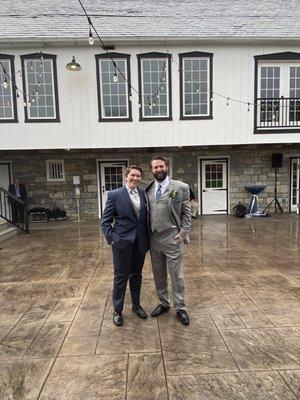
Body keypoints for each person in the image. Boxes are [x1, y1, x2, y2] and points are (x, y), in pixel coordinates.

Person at [145, 156, 191, 325]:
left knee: (176, 275)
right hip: (154, 238)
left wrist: (184, 231)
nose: (159, 169)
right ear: (152, 170)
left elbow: (187, 213)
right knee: (158, 274)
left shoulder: (180, 187)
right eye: (155, 167)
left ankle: (180, 307)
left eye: (161, 166)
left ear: (167, 167)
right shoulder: (148, 189)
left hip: (173, 237)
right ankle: (164, 303)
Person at [101, 165, 149, 327]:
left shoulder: (144, 194)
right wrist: (112, 239)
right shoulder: (115, 195)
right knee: (121, 277)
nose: (135, 178)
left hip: (140, 243)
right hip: (121, 242)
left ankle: (136, 305)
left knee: (136, 275)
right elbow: (105, 220)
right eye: (133, 175)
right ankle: (117, 310)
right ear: (126, 177)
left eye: (138, 176)